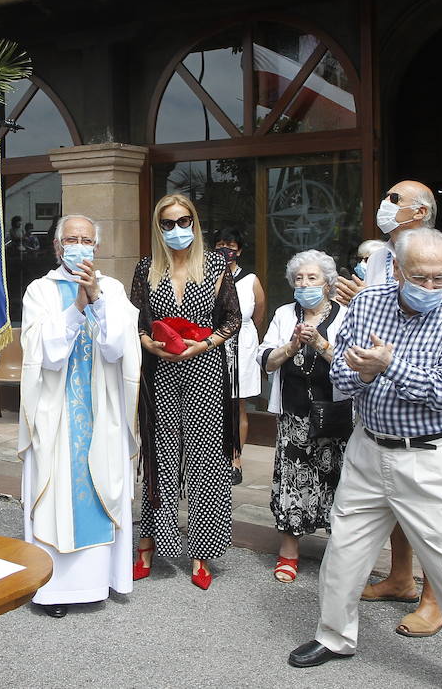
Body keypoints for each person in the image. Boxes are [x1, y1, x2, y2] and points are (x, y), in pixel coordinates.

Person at [287, 228, 442, 687]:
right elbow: (341, 373)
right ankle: (334, 636)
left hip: (432, 458)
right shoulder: (369, 302)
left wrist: (388, 367)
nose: (431, 287)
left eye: (439, 277)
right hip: (369, 447)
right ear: (396, 269)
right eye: (420, 277)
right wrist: (364, 372)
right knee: (345, 551)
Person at [333, 179, 442, 637]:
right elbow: (366, 327)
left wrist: (389, 365)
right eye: (385, 196)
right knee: (384, 511)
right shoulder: (380, 259)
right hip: (374, 417)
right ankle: (399, 578)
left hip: (428, 424)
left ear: (421, 212)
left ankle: (434, 599)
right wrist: (358, 306)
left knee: (436, 526)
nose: (384, 206)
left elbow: (437, 346)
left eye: (394, 200)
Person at [18, 214, 141, 618]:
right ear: (57, 247)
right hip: (57, 417)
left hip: (101, 413)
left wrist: (98, 300)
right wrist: (76, 306)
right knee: (56, 495)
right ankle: (53, 590)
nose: (79, 245)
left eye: (86, 239)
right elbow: (44, 355)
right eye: (71, 239)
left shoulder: (115, 290)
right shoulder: (39, 290)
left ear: (97, 248)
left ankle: (99, 580)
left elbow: (117, 349)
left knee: (102, 485)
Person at [131, 193, 241, 590]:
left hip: (205, 369)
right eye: (167, 223)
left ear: (194, 222)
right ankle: (148, 544)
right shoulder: (147, 268)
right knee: (159, 456)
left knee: (206, 460)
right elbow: (136, 321)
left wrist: (206, 343)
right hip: (160, 370)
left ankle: (201, 551)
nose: (176, 230)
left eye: (183, 222)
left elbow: (233, 318)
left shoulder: (215, 265)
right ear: (158, 228)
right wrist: (147, 343)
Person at [258, 250, 348, 583]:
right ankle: (289, 553)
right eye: (299, 278)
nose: (304, 284)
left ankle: (338, 555)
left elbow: (353, 363)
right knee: (292, 483)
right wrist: (291, 347)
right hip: (294, 415)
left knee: (336, 482)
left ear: (327, 283)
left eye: (312, 278)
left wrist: (323, 345)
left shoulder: (345, 315)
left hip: (335, 415)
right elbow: (265, 358)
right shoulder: (284, 314)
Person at [213, 226, 265, 485]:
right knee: (214, 404)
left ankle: (235, 459)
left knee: (237, 405)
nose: (226, 251)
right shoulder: (208, 277)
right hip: (212, 346)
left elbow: (257, 315)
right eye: (221, 245)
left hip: (242, 345)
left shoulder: (250, 279)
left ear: (239, 251)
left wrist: (243, 335)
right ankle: (213, 458)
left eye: (231, 247)